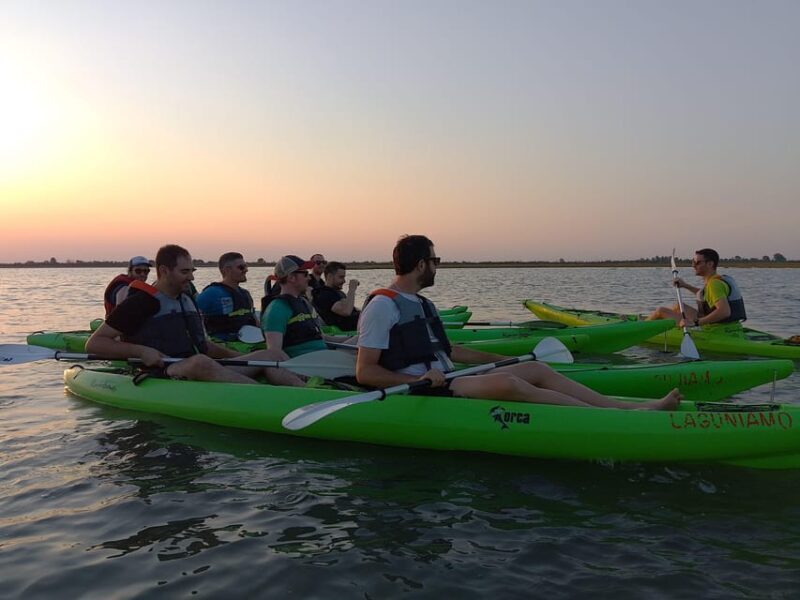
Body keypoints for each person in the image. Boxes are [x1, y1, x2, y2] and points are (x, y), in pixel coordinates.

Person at [356, 235, 681, 409]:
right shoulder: (383, 306)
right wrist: (417, 379)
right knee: (509, 385)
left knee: (536, 370)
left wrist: (501, 361)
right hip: (425, 388)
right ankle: (615, 417)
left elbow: (450, 350)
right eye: (435, 260)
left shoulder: (422, 303)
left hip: (453, 376)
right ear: (420, 264)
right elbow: (365, 371)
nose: (438, 267)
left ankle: (619, 407)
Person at [86, 244, 304, 386]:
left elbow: (205, 346)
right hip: (162, 372)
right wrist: (141, 350)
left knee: (271, 355)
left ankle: (312, 391)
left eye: (192, 271)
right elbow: (95, 344)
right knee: (199, 362)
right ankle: (266, 397)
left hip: (200, 365)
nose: (190, 277)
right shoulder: (141, 302)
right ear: (163, 271)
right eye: (184, 272)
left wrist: (236, 357)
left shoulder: (187, 299)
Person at [648, 248, 747, 328]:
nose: (693, 265)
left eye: (697, 262)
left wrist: (696, 323)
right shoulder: (720, 279)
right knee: (678, 306)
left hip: (716, 329)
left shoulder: (714, 284)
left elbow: (724, 312)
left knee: (661, 311)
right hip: (730, 326)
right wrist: (685, 285)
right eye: (693, 261)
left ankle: (641, 327)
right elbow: (704, 295)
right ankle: (653, 322)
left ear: (710, 264)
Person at [261, 255, 331, 357]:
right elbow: (274, 353)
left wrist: (357, 339)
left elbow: (322, 338)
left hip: (323, 356)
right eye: (305, 274)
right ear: (291, 278)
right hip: (305, 364)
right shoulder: (277, 308)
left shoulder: (303, 302)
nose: (309, 278)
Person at [196, 252, 258, 341]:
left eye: (246, 266)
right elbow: (191, 317)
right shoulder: (211, 293)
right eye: (241, 267)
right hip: (223, 344)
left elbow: (254, 319)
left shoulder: (245, 294)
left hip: (248, 342)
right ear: (227, 270)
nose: (246, 270)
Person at [312, 261, 360, 331]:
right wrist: (352, 290)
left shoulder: (338, 293)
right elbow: (346, 311)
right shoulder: (324, 294)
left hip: (359, 327)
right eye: (341, 277)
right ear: (330, 276)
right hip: (345, 334)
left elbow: (349, 307)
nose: (344, 281)